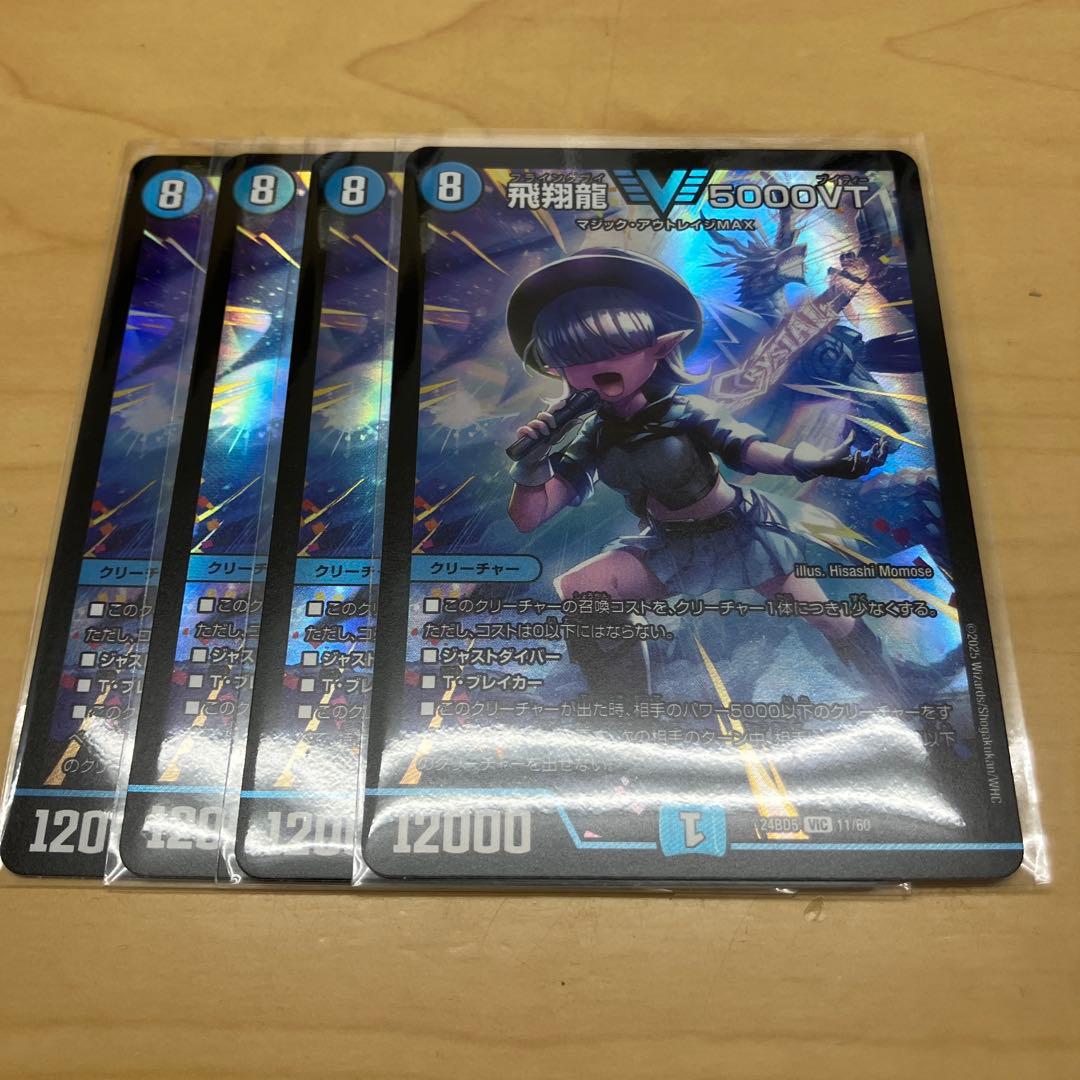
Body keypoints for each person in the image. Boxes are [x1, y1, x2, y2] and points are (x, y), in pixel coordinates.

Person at [504, 247, 898, 699]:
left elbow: (747, 449)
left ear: (659, 348)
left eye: (616, 349)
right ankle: (624, 710)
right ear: (556, 367)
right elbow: (529, 517)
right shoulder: (594, 434)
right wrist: (531, 463)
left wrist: (806, 461)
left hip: (740, 536)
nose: (598, 368)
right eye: (576, 357)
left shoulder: (686, 411)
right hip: (668, 546)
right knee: (581, 590)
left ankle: (900, 695)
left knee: (825, 617)